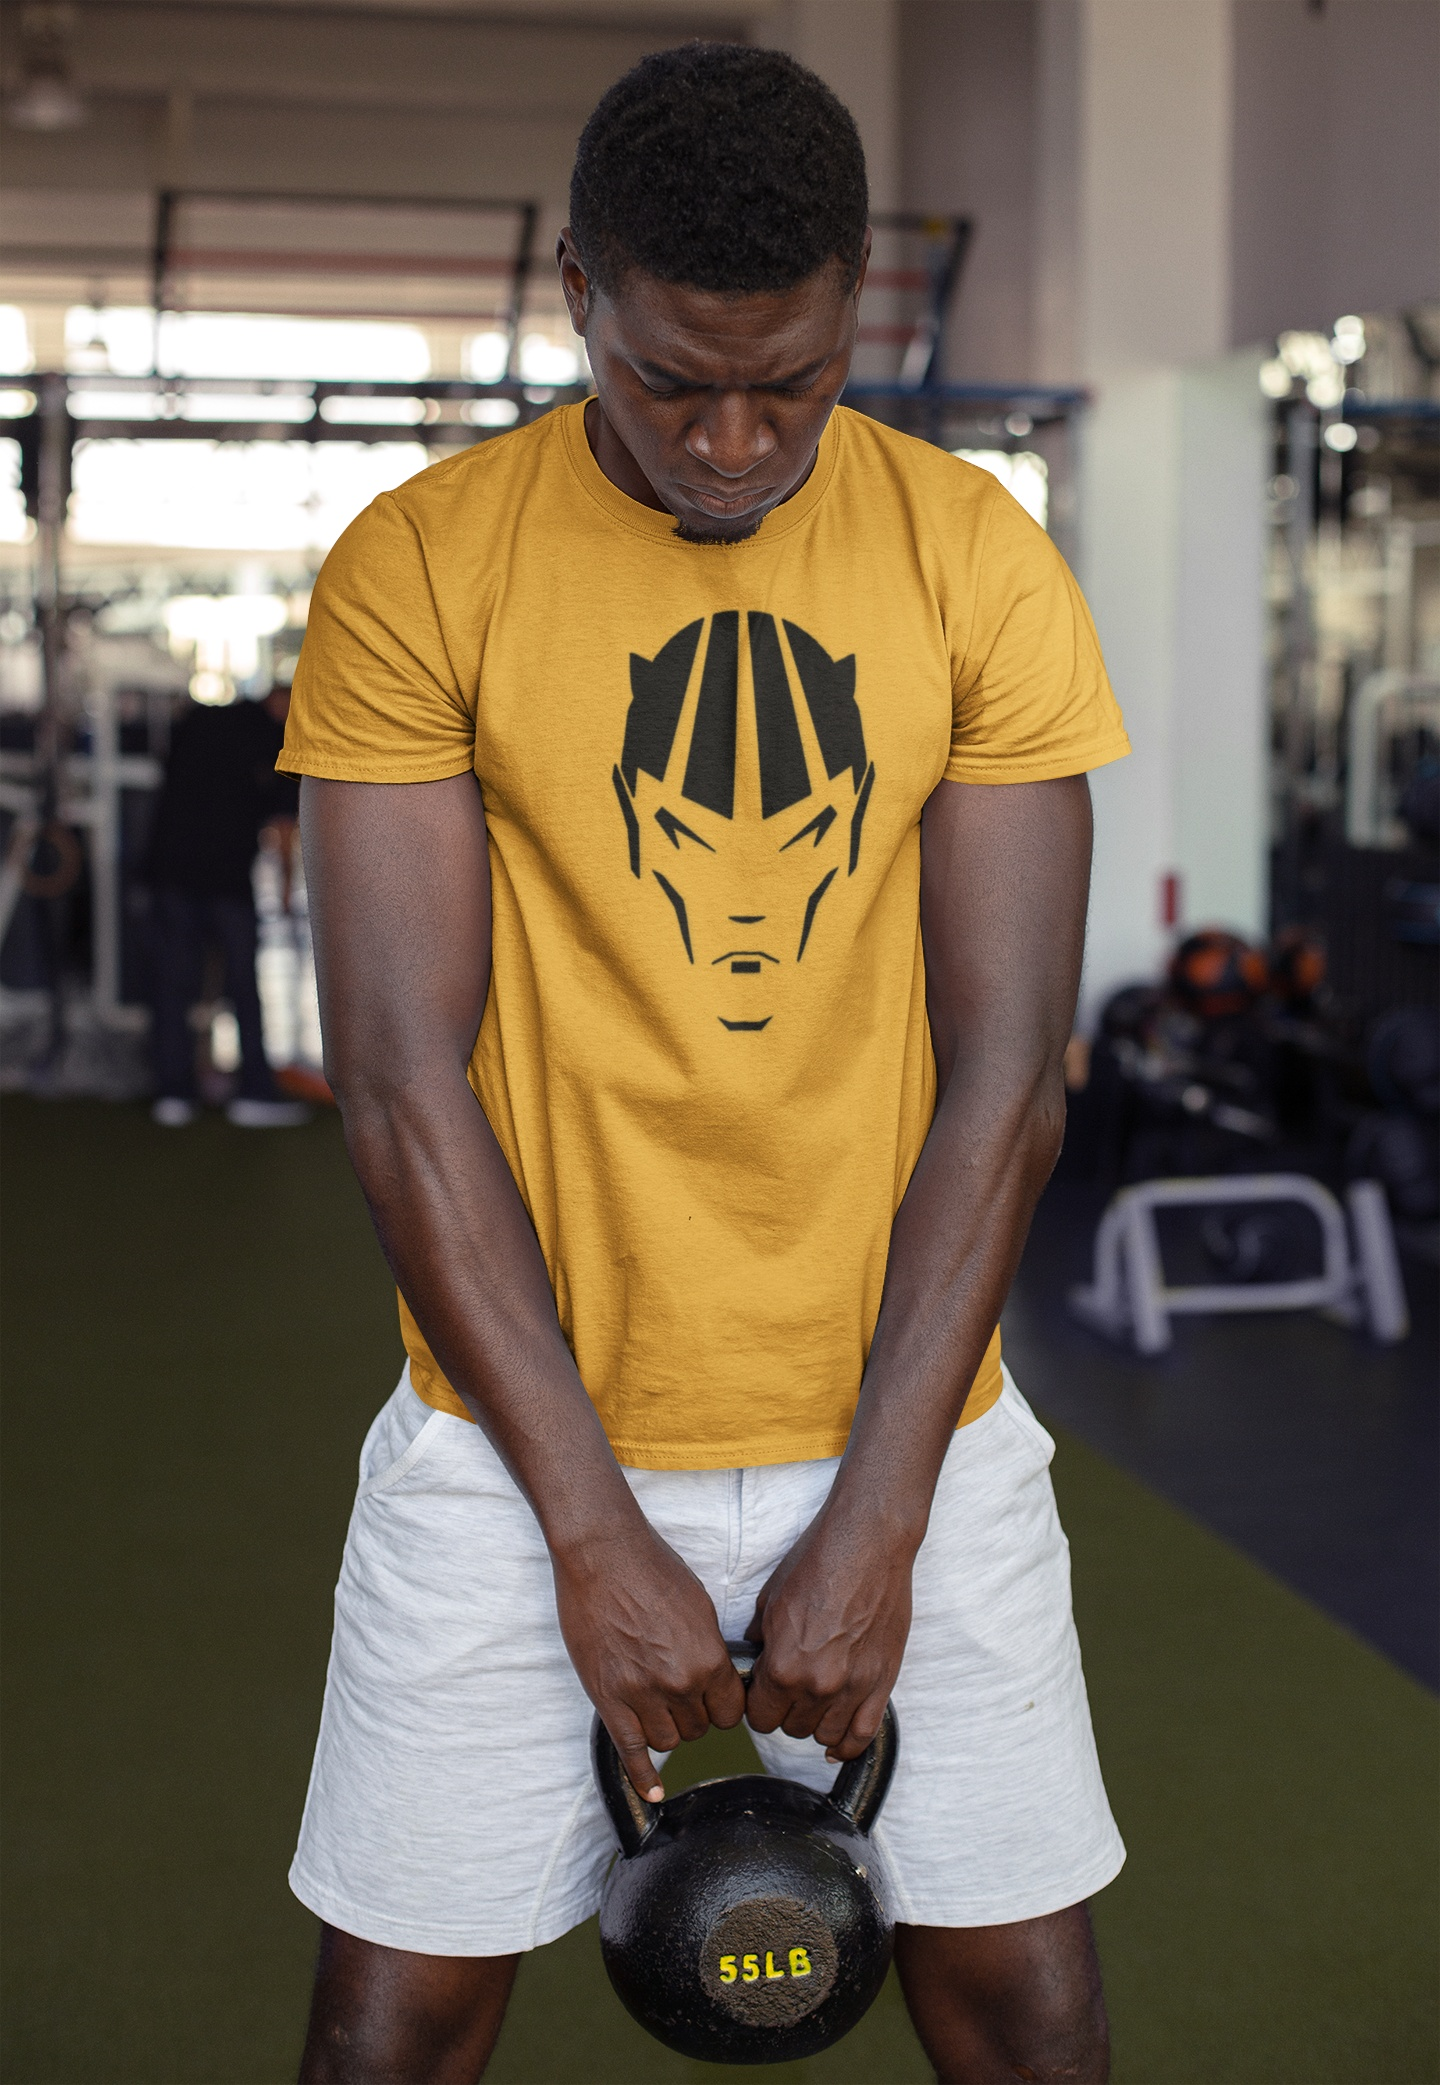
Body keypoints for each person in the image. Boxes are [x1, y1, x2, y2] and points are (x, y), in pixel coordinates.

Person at [283, 44, 1131, 2085]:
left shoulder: (976, 560)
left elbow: (1009, 1070)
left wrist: (882, 1511)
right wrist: (588, 1527)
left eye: (796, 379)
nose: (736, 439)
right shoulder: (423, 563)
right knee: (392, 2034)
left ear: (857, 305)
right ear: (581, 287)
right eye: (675, 381)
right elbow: (404, 1080)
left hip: (909, 1417)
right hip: (513, 1437)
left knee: (1026, 2010)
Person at [143, 681, 309, 1128]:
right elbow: (282, 830)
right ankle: (251, 1090)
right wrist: (290, 899)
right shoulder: (275, 740)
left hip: (172, 869)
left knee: (174, 983)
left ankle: (174, 1092)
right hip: (223, 878)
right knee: (240, 984)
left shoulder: (200, 720)